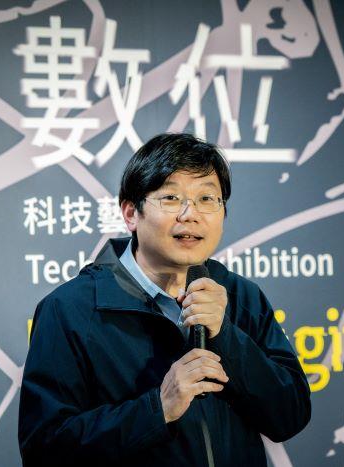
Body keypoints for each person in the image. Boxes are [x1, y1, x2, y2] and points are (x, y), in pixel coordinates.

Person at [18, 133, 311, 466]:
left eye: (207, 198)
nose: (190, 214)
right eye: (171, 198)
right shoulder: (70, 309)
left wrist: (226, 336)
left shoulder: (241, 296)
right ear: (131, 213)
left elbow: (290, 415)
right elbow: (43, 450)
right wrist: (158, 409)